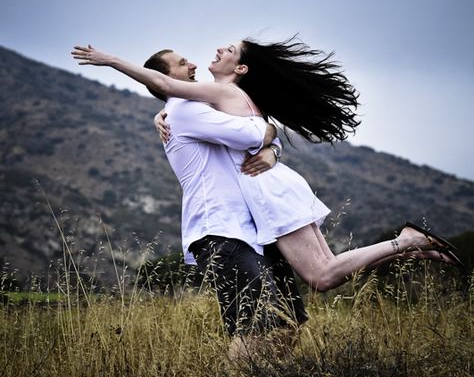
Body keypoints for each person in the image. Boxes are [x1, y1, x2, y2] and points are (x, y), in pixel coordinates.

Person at [72, 38, 460, 293]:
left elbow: (171, 89)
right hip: (275, 182)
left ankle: (405, 241)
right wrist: (162, 113)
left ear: (240, 69)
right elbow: (186, 103)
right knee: (323, 271)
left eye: (228, 51)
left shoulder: (220, 91)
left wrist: (109, 60)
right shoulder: (221, 98)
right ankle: (410, 248)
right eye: (184, 61)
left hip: (268, 190)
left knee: (322, 276)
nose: (213, 52)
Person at [72, 44, 308, 361]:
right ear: (163, 79)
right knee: (253, 329)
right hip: (224, 232)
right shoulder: (185, 110)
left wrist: (273, 148)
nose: (193, 65)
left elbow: (258, 137)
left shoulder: (196, 108)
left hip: (255, 230)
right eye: (183, 64)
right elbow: (251, 134)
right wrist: (269, 130)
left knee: (288, 324)